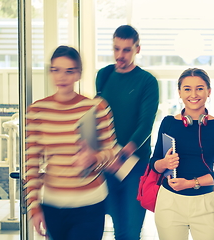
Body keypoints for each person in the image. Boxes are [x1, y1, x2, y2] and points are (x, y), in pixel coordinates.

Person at [24, 45, 119, 240]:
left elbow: (112, 154)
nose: (62, 77)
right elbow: (31, 164)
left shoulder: (96, 107)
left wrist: (94, 157)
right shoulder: (37, 111)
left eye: (69, 71)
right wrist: (34, 207)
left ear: (79, 74)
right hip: (53, 205)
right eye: (56, 70)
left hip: (90, 205)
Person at [150, 68, 214, 240]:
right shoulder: (168, 123)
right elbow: (154, 164)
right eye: (187, 89)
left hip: (205, 204)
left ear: (209, 91)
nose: (193, 94)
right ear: (179, 92)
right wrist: (164, 163)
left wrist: (190, 183)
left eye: (200, 88)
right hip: (169, 203)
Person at [95, 25, 159, 240]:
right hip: (106, 164)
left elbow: (145, 127)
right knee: (110, 225)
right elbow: (98, 118)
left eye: (126, 50)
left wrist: (121, 155)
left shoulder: (147, 82)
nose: (120, 55)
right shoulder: (103, 75)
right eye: (116, 49)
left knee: (130, 231)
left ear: (137, 49)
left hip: (135, 166)